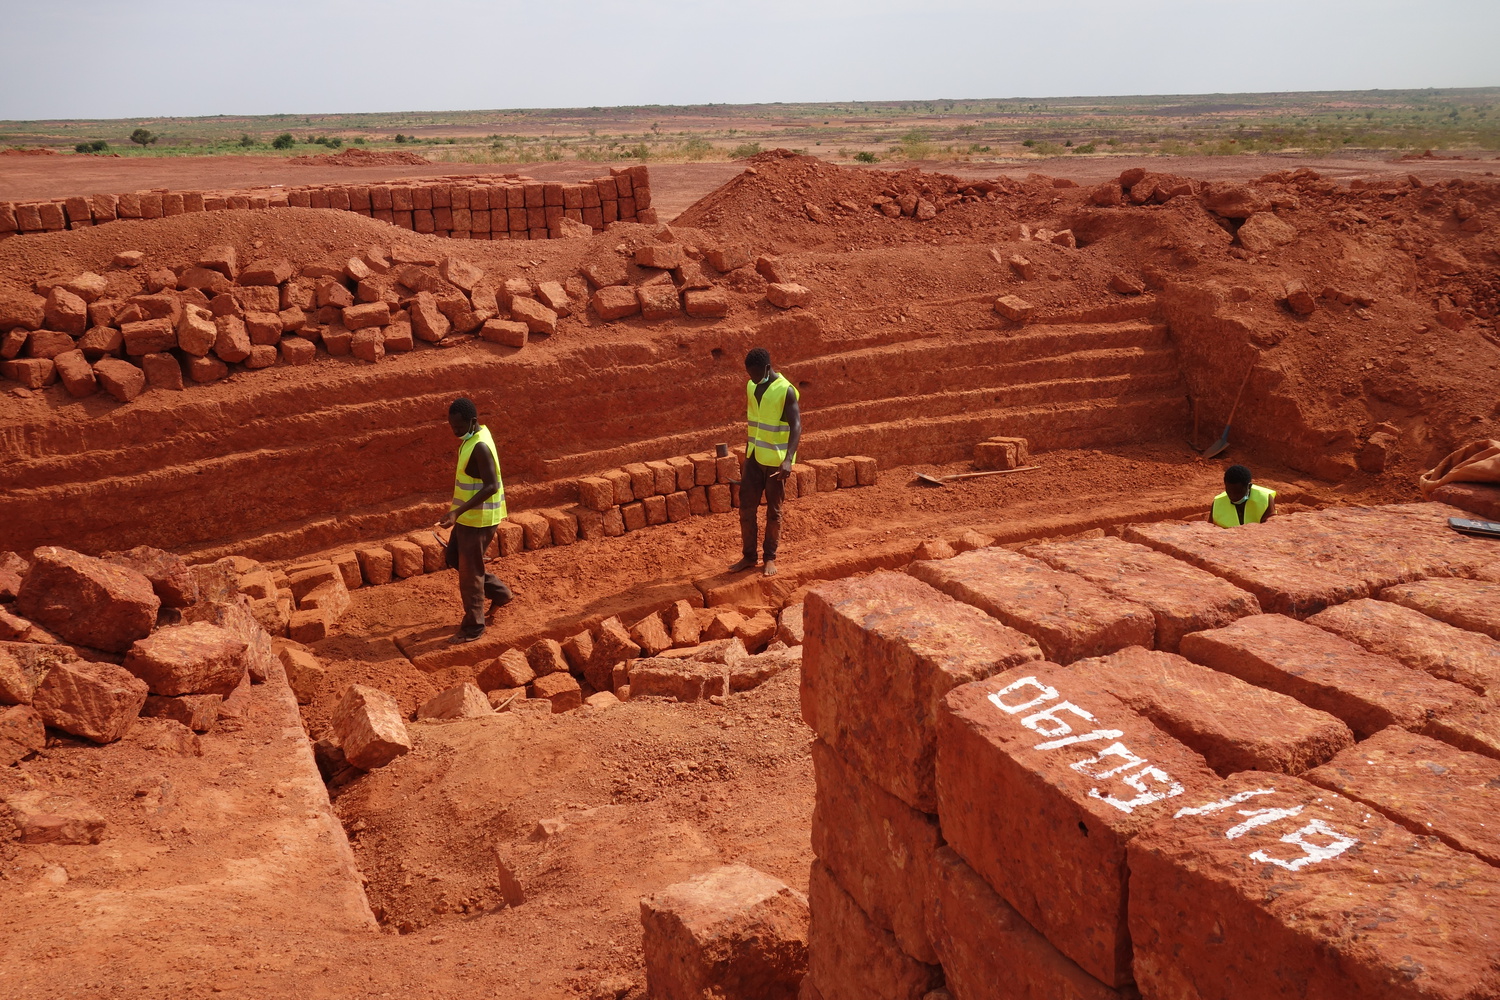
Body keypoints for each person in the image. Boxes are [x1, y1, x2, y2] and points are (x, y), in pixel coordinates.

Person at [437, 398, 512, 642]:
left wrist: (456, 512)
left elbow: (491, 485)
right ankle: (500, 593)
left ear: (472, 421)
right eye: (452, 426)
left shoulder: (479, 446)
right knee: (454, 558)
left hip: (479, 519)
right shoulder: (472, 438)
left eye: (459, 427)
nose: (455, 431)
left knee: (470, 576)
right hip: (469, 516)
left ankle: (474, 627)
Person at [729, 347, 801, 577]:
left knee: (774, 511)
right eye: (750, 374)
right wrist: (748, 456)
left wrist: (788, 459)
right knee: (746, 508)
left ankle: (770, 557)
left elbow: (796, 426)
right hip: (753, 458)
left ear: (768, 368)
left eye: (756, 374)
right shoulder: (751, 386)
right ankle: (749, 556)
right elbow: (756, 422)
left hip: (776, 463)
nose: (752, 379)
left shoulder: (786, 391)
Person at [1209, 464, 1276, 528]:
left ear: (1249, 486)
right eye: (1229, 492)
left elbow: (1270, 528)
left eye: (1238, 492)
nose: (1233, 497)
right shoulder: (1217, 503)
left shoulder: (1264, 499)